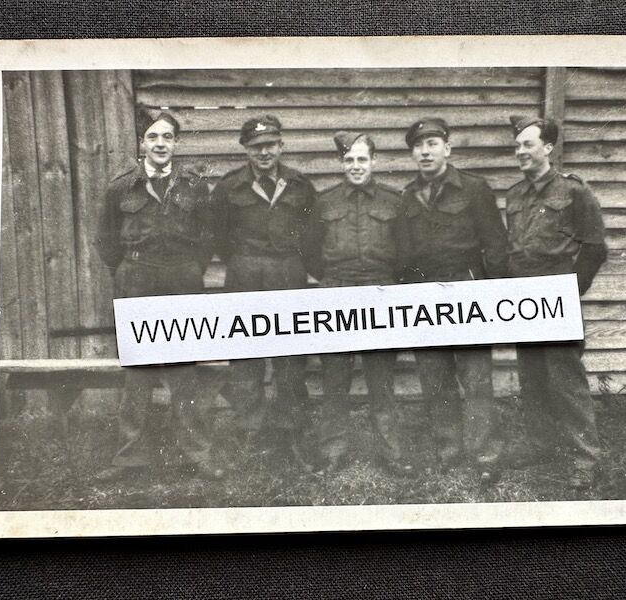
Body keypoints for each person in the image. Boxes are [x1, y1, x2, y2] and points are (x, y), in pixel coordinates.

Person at [95, 109, 223, 481]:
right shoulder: (121, 187)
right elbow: (106, 240)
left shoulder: (194, 186)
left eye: (167, 137)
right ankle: (129, 457)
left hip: (182, 276)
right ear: (142, 142)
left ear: (176, 143)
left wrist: (189, 269)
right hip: (137, 277)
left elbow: (208, 236)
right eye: (153, 137)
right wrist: (129, 270)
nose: (160, 144)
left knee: (184, 368)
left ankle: (195, 453)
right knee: (138, 368)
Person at [397, 117, 508, 477]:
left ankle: (484, 454)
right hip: (424, 293)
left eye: (432, 144)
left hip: (467, 288)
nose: (425, 152)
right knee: (435, 374)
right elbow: (403, 254)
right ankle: (449, 449)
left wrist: (492, 295)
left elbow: (496, 245)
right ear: (412, 154)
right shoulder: (407, 196)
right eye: (418, 146)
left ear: (447, 148)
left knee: (475, 377)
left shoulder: (474, 189)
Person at [503, 115, 607, 489]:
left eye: (528, 144)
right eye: (517, 145)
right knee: (531, 374)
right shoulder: (515, 194)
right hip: (522, 296)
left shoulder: (574, 191)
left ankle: (585, 457)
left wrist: (570, 291)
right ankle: (540, 444)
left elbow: (595, 247)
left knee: (565, 378)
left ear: (548, 148)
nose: (520, 151)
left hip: (556, 291)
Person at [211, 115, 316, 467]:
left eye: (270, 145)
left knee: (291, 358)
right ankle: (251, 433)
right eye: (256, 147)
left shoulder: (299, 184)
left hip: (288, 274)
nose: (264, 152)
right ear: (245, 149)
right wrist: (246, 262)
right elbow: (219, 237)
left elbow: (310, 232)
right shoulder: (229, 187)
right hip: (245, 276)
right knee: (246, 358)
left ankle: (291, 432)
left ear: (281, 146)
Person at [308, 131, 413, 476]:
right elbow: (310, 252)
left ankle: (392, 452)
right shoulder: (324, 202)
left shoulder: (393, 201)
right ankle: (332, 452)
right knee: (335, 376)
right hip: (336, 290)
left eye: (362, 159)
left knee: (381, 377)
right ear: (341, 162)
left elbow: (404, 251)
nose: (356, 166)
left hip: (379, 291)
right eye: (349, 159)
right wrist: (334, 280)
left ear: (374, 161)